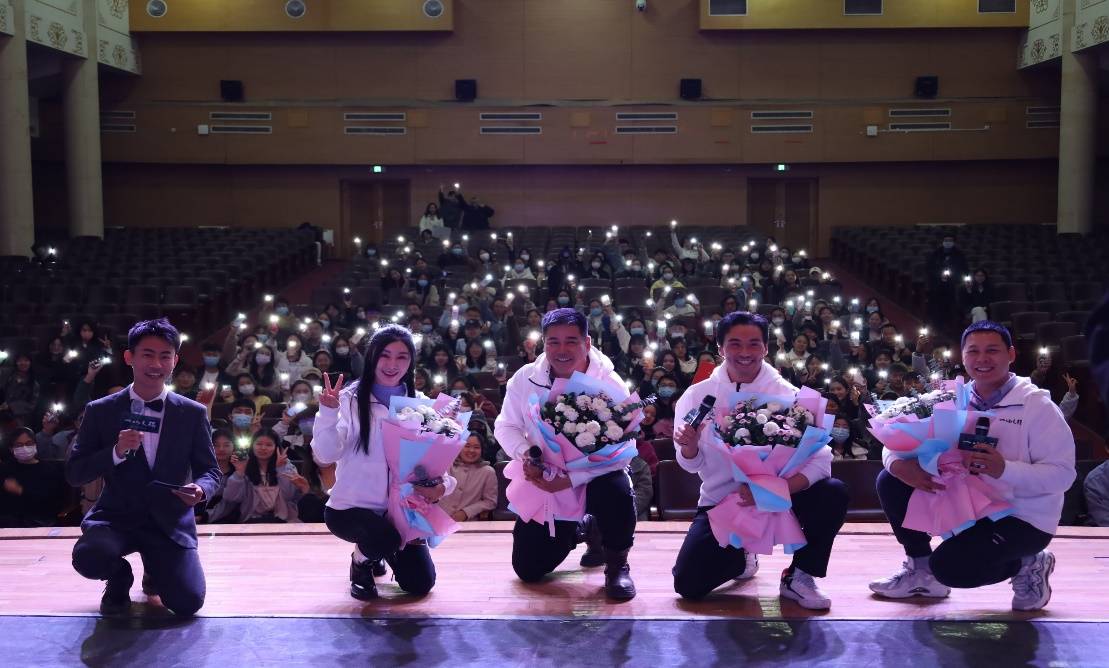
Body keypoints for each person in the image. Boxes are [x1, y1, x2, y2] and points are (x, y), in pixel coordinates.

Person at [869, 321, 1076, 611]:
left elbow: (1063, 475)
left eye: (992, 350)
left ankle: (1027, 564)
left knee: (952, 568)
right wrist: (896, 464)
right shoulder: (952, 398)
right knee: (890, 481)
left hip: (1022, 519)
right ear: (962, 357)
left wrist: (1004, 469)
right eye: (973, 351)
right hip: (968, 507)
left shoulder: (1038, 407)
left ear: (1011, 355)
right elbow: (894, 438)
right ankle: (921, 571)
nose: (982, 359)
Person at [671, 311, 849, 609]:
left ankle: (800, 575)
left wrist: (774, 489)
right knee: (688, 584)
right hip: (725, 501)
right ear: (720, 347)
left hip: (781, 497)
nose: (744, 353)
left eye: (754, 344)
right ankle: (742, 558)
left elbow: (821, 460)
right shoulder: (697, 396)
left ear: (766, 348)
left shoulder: (791, 396)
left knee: (832, 492)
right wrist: (688, 448)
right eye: (735, 344)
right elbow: (691, 465)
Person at [66, 318, 221, 617]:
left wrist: (201, 489)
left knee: (188, 603)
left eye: (165, 355)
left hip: (169, 522)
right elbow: (75, 473)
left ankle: (156, 570)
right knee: (89, 557)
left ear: (175, 360)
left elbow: (211, 471)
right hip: (116, 517)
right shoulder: (100, 411)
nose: (156, 363)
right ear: (129, 357)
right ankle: (119, 576)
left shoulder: (192, 413)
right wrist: (115, 451)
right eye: (147, 354)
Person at [494, 308, 638, 600]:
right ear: (542, 344)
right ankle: (584, 529)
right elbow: (505, 426)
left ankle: (617, 564)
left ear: (587, 343)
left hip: (598, 475)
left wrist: (573, 478)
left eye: (571, 341)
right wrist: (527, 455)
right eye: (553, 342)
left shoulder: (610, 384)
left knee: (617, 491)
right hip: (548, 478)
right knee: (528, 569)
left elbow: (623, 452)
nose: (562, 350)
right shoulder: (525, 378)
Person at [315, 325, 456, 599]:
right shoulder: (348, 400)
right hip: (351, 510)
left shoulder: (423, 406)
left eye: (402, 357)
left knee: (420, 584)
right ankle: (361, 562)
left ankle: (376, 550)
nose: (392, 364)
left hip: (401, 513)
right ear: (372, 357)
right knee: (384, 538)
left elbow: (443, 470)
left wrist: (442, 487)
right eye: (385, 355)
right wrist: (328, 414)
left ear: (411, 362)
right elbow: (325, 455)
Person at [0, 427, 66, 527]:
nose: (24, 447)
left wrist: (20, 490)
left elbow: (52, 502)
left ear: (35, 445)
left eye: (28, 443)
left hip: (40, 521)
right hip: (8, 522)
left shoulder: (49, 470)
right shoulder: (5, 469)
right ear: (11, 448)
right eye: (19, 445)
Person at [439, 434, 498, 522]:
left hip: (468, 522)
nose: (471, 450)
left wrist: (466, 512)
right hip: (439, 519)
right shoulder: (446, 465)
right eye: (467, 446)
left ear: (482, 450)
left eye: (476, 447)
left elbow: (490, 502)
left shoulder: (488, 472)